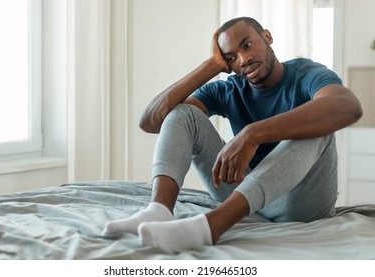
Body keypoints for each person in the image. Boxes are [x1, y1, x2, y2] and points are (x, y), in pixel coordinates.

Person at [102, 17, 362, 252]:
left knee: (319, 127)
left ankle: (210, 227)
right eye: (231, 57)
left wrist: (252, 133)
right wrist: (212, 65)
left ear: (267, 37)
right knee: (182, 113)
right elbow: (151, 121)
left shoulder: (306, 74)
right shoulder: (229, 89)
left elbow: (348, 108)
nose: (243, 60)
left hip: (302, 203)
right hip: (246, 197)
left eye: (247, 45)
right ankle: (158, 211)